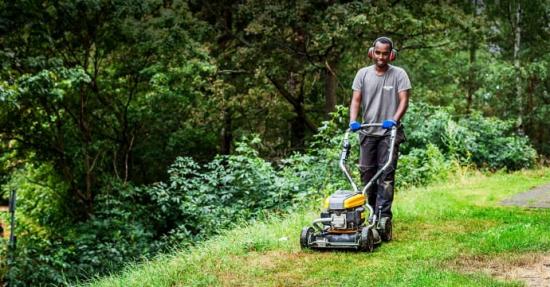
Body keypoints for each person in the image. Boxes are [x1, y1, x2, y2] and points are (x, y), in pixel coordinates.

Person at [348, 36, 411, 238]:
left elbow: (404, 101)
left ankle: (383, 221)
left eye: (385, 53)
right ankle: (371, 214)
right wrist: (352, 121)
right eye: (378, 53)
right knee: (367, 174)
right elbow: (356, 100)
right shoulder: (363, 74)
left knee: (385, 176)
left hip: (388, 134)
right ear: (372, 52)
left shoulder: (399, 74)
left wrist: (394, 119)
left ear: (391, 54)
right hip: (368, 131)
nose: (381, 57)